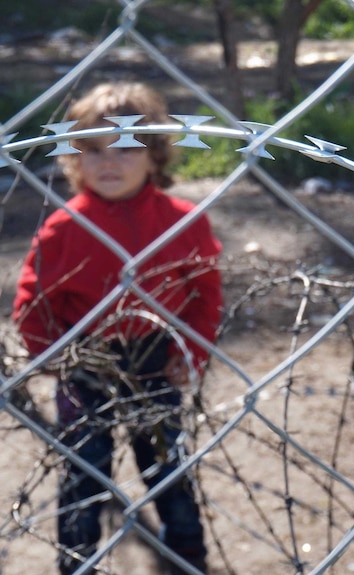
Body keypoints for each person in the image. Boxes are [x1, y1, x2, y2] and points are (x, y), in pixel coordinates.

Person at [13, 82, 222, 574]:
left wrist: (190, 353)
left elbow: (204, 295)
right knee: (84, 469)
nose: (110, 161)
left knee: (167, 463)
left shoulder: (183, 221)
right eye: (93, 149)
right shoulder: (63, 227)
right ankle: (78, 557)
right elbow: (33, 301)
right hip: (86, 358)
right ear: (74, 160)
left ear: (155, 156)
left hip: (155, 356)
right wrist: (56, 355)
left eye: (127, 146)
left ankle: (188, 550)